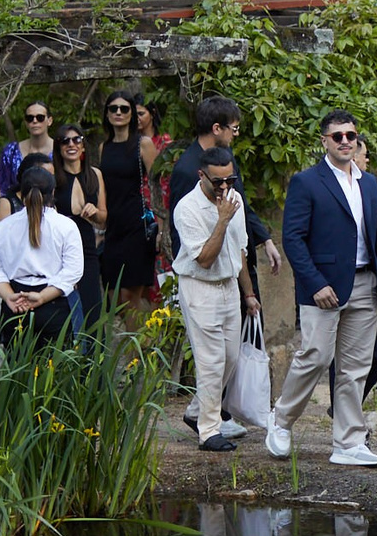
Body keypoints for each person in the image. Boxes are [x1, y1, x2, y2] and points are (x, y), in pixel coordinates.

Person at [267, 110, 377, 467]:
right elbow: (293, 239)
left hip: (365, 283)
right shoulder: (307, 181)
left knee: (354, 367)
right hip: (322, 287)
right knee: (314, 356)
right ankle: (281, 421)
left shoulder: (368, 183)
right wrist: (315, 284)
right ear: (324, 141)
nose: (346, 141)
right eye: (338, 136)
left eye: (351, 135)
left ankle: (347, 442)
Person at [172, 146, 260, 451]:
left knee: (230, 359)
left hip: (229, 286)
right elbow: (205, 260)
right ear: (202, 176)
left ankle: (197, 410)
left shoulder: (234, 200)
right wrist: (222, 220)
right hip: (200, 286)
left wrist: (249, 294)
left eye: (230, 181)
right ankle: (208, 431)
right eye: (217, 182)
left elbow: (240, 251)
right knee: (210, 361)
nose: (224, 188)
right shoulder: (188, 208)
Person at [165, 94, 285, 280]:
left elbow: (240, 203)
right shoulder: (187, 169)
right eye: (234, 128)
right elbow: (179, 228)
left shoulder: (225, 155)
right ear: (217, 128)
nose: (236, 134)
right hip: (208, 273)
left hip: (237, 262)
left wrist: (265, 239)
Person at [0, 160, 84, 351]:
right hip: (52, 304)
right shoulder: (66, 226)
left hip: (16, 306)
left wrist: (10, 297)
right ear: (53, 192)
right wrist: (41, 297)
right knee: (53, 375)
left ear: (22, 194)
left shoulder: (4, 227)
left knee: (17, 375)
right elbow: (73, 271)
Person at [95, 90, 162, 326]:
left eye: (124, 108)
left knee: (132, 294)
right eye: (113, 108)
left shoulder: (142, 144)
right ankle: (141, 345)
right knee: (114, 295)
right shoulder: (105, 147)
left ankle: (139, 357)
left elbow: (156, 187)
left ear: (132, 113)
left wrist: (160, 228)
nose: (119, 113)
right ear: (107, 114)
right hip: (113, 227)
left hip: (137, 225)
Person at [51, 126, 107, 335]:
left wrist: (94, 213)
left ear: (83, 145)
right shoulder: (52, 174)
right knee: (64, 309)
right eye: (65, 141)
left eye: (76, 140)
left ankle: (93, 364)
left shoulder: (95, 175)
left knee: (93, 309)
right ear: (59, 147)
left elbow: (103, 220)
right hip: (59, 251)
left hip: (87, 249)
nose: (71, 145)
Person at [0, 101, 57, 219]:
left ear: (49, 120)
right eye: (30, 118)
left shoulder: (60, 150)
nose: (34, 121)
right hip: (13, 210)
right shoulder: (11, 151)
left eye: (40, 117)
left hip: (50, 209)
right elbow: (3, 186)